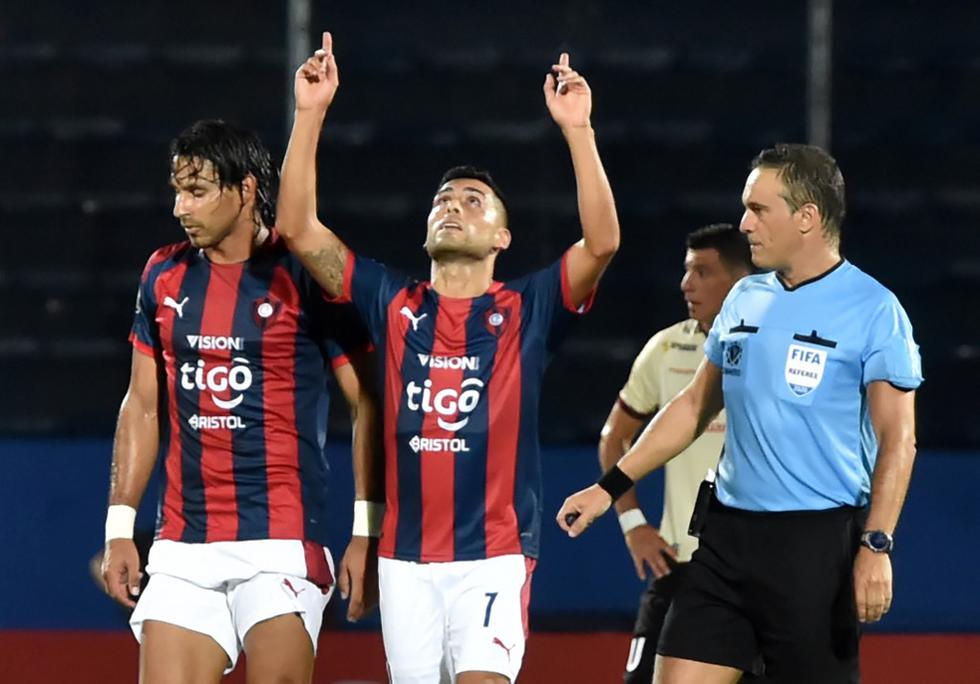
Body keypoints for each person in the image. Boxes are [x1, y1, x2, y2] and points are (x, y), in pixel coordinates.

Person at [276, 32, 620, 684]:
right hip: (404, 562)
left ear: (502, 236)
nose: (452, 206)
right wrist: (311, 113)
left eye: (472, 201)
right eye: (443, 200)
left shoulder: (527, 309)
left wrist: (579, 130)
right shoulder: (391, 301)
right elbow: (298, 229)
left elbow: (602, 241)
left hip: (493, 556)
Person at [558, 144, 922, 684]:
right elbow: (690, 409)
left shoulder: (874, 310)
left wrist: (876, 545)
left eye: (758, 209)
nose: (744, 223)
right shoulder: (745, 299)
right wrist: (608, 486)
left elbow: (899, 441)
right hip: (725, 544)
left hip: (814, 552)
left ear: (807, 217)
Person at [100, 119, 383, 684]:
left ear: (247, 189)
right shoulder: (163, 273)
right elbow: (142, 404)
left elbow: (368, 403)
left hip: (281, 539)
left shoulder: (304, 274)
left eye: (198, 191)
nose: (182, 207)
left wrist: (365, 527)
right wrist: (118, 527)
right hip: (184, 541)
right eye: (178, 190)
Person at [600, 224, 752, 683]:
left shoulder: (774, 347)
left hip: (756, 568)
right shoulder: (667, 348)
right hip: (681, 568)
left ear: (741, 280)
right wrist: (633, 525)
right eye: (686, 271)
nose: (687, 284)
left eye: (702, 272)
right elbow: (614, 437)